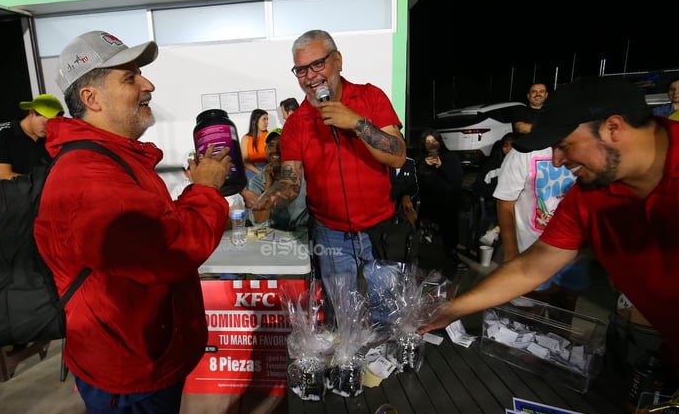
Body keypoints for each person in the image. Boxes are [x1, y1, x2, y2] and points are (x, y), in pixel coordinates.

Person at [34, 30, 231, 414]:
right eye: (130, 77)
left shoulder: (109, 161)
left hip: (129, 349)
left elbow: (150, 238)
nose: (148, 86)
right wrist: (204, 190)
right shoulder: (92, 175)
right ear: (91, 97)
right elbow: (171, 250)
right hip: (130, 360)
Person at [419, 76, 679, 377]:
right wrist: (451, 310)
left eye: (564, 146)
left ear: (613, 127)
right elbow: (532, 267)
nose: (556, 161)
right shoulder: (589, 193)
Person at [253, 29, 407, 304]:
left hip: (379, 228)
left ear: (338, 60)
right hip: (330, 234)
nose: (310, 76)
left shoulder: (371, 97)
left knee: (388, 310)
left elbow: (397, 156)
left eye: (317, 64)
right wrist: (269, 197)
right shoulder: (297, 122)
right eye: (301, 70)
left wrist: (357, 123)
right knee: (342, 313)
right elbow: (291, 181)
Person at [493, 140, 590, 320]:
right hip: (532, 251)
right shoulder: (524, 153)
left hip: (575, 253)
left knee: (565, 308)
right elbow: (505, 203)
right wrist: (511, 253)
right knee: (529, 311)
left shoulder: (589, 147)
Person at [415, 129, 465, 271]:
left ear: (440, 142)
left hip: (449, 204)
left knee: (449, 222)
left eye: (434, 141)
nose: (432, 145)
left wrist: (441, 166)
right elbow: (415, 182)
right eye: (428, 142)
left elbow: (457, 180)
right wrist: (423, 165)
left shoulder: (451, 158)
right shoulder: (420, 160)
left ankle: (452, 255)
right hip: (428, 204)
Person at [0, 94, 64, 183]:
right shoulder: (3, 131)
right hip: (15, 194)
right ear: (31, 113)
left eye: (52, 125)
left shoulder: (54, 135)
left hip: (46, 194)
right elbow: (4, 175)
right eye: (45, 123)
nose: (48, 128)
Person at [247, 130, 309, 233]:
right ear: (265, 149)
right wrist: (268, 185)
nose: (275, 150)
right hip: (268, 233)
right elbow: (259, 222)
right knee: (247, 237)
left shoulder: (303, 176)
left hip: (301, 233)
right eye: (271, 145)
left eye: (282, 145)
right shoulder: (256, 182)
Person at [240, 108, 269, 181]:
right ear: (255, 121)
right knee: (252, 182)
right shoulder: (246, 138)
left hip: (267, 167)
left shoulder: (269, 136)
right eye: (264, 119)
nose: (266, 122)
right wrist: (260, 172)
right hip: (251, 168)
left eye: (267, 119)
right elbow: (245, 162)